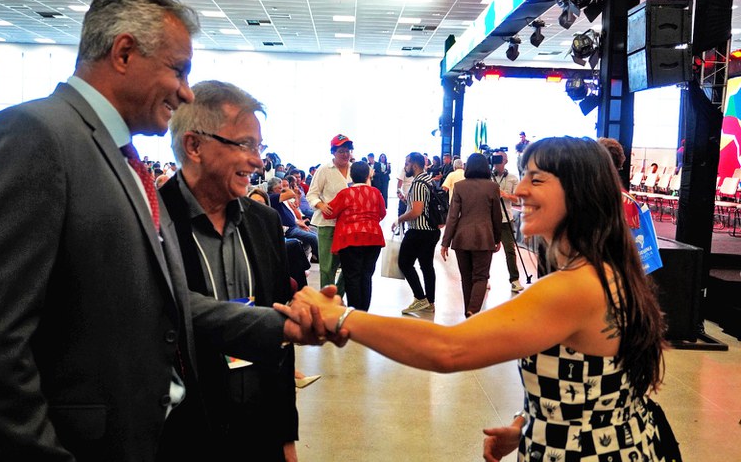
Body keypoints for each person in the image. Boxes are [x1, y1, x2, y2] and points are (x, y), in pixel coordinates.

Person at [0, 0, 335, 462]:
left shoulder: (118, 158)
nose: (184, 91)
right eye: (177, 70)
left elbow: (161, 305)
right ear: (124, 52)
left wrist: (279, 326)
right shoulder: (33, 135)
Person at [282, 136, 670, 462]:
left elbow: (448, 349)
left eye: (537, 179)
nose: (519, 190)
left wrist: (341, 317)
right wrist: (528, 423)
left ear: (580, 193)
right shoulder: (601, 271)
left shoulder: (574, 287)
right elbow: (601, 386)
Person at [160, 80, 298, 461]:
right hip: (184, 437)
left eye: (259, 147)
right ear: (194, 146)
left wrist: (285, 435)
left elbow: (279, 337)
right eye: (245, 145)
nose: (258, 161)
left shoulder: (265, 222)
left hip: (259, 433)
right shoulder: (149, 221)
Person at [440, 153, 502, 317]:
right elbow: (497, 216)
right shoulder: (492, 187)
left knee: (466, 277)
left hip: (462, 238)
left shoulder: (459, 186)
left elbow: (452, 217)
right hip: (484, 237)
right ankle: (473, 310)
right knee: (481, 277)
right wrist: (497, 238)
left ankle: (468, 312)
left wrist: (445, 242)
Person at [322, 161, 387, 311]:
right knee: (366, 276)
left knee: (352, 277)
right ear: (367, 175)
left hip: (349, 239)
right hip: (373, 237)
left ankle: (354, 314)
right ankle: (364, 312)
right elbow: (382, 213)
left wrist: (321, 203)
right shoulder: (376, 192)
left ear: (351, 176)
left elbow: (328, 213)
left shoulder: (345, 193)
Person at [391, 152, 440, 314]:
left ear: (415, 165)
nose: (405, 167)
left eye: (407, 163)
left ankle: (420, 297)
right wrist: (407, 201)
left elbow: (417, 211)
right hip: (431, 230)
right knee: (427, 266)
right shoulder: (428, 180)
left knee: (404, 263)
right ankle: (430, 302)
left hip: (419, 231)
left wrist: (399, 219)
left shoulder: (418, 183)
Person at [306, 134, 353, 295]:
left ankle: (338, 297)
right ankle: (326, 300)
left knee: (350, 265)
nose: (345, 154)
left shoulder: (355, 169)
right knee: (327, 267)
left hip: (349, 225)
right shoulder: (324, 170)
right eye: (341, 151)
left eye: (348, 151)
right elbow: (312, 194)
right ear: (333, 152)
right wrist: (321, 205)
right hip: (328, 224)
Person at [492, 151, 525, 293]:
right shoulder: (488, 177)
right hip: (490, 218)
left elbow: (518, 199)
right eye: (495, 158)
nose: (498, 161)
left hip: (506, 219)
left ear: (506, 161)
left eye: (501, 158)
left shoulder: (512, 178)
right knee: (486, 250)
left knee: (510, 250)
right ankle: (483, 278)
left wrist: (505, 195)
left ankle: (514, 279)